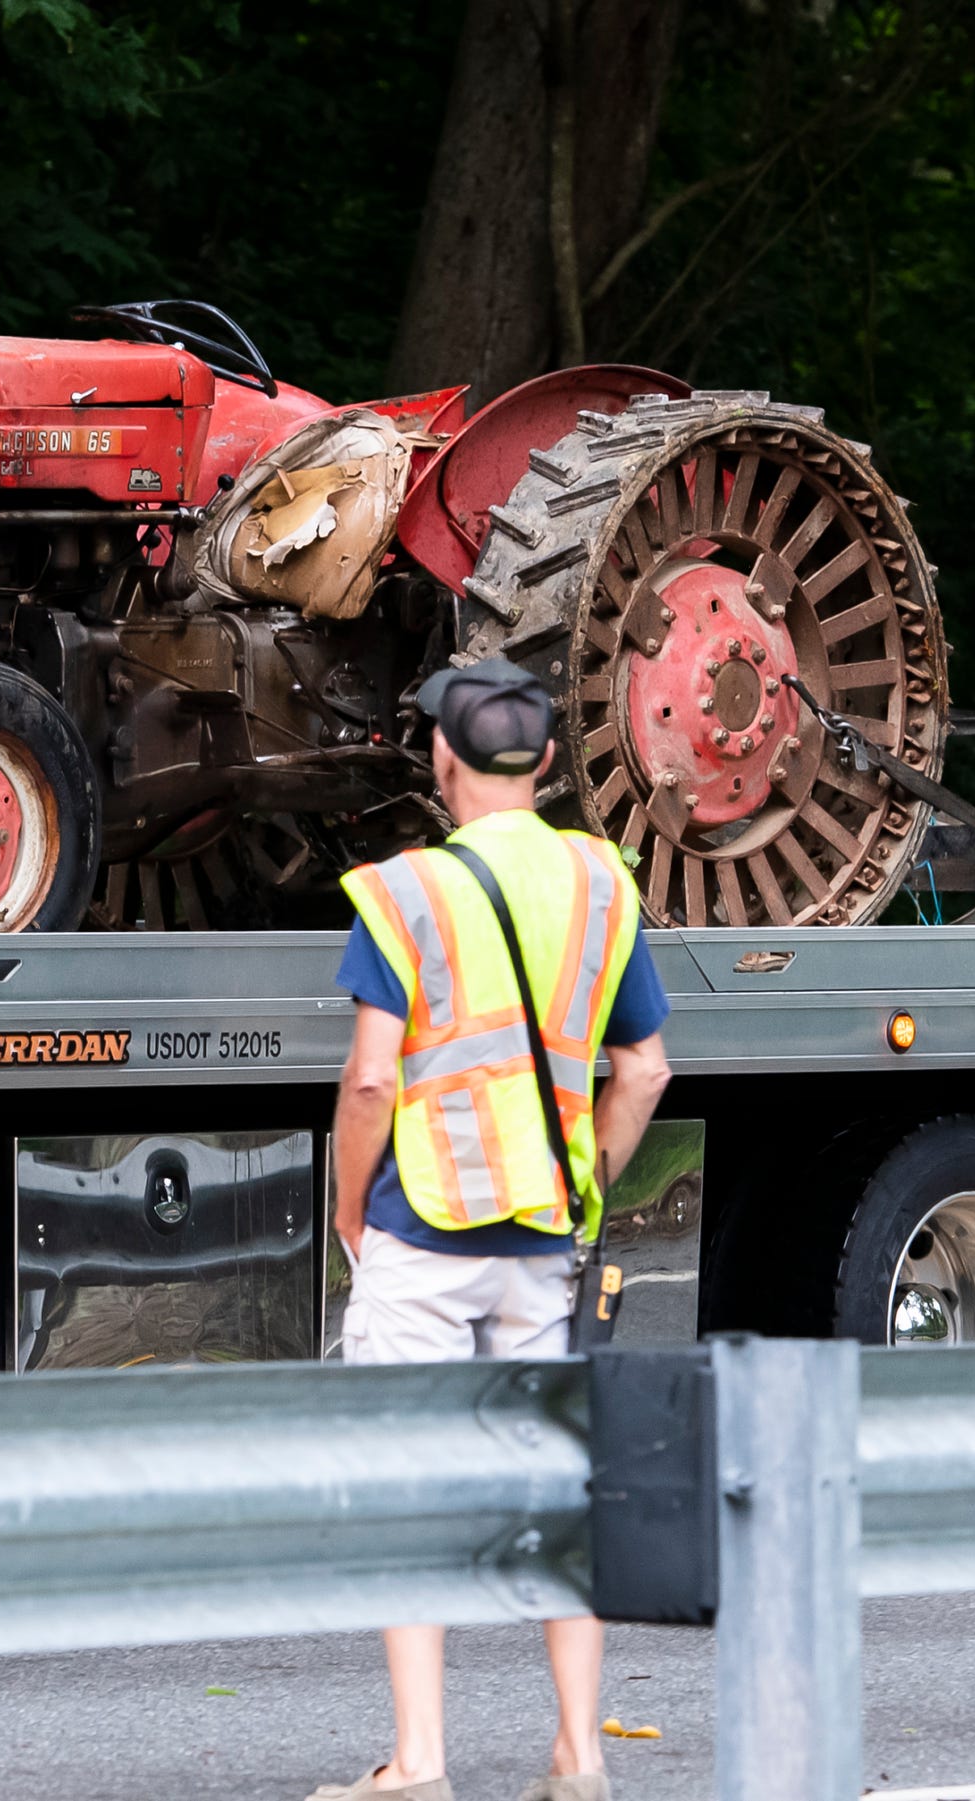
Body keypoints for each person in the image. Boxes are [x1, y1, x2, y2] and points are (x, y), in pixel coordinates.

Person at [312, 656, 674, 1801]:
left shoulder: (407, 890)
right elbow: (645, 1068)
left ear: (440, 759)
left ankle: (418, 1762)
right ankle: (578, 1755)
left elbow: (371, 1082)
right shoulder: (597, 883)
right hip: (538, 1244)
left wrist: (343, 1209)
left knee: (406, 1484)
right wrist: (584, 1181)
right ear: (550, 766)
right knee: (549, 1490)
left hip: (419, 1232)